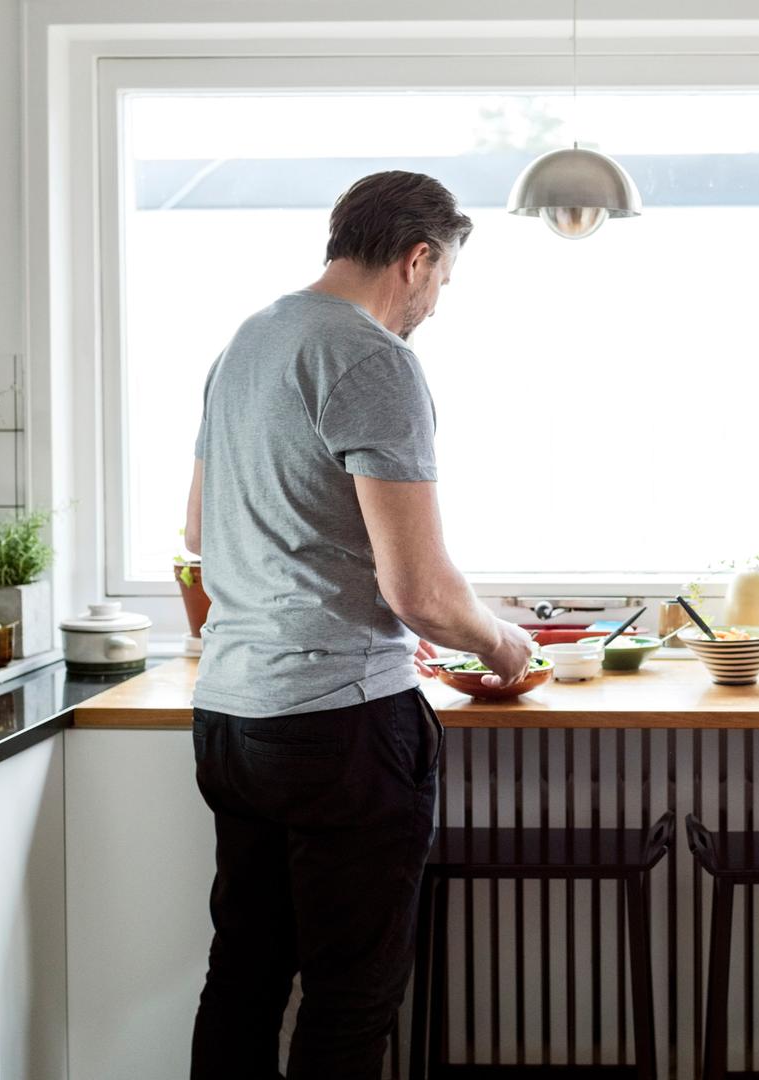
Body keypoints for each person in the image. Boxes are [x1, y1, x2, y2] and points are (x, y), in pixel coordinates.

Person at [183, 170, 536, 1079]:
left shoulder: (248, 340)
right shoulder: (373, 357)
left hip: (232, 714)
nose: (437, 306)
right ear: (417, 259)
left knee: (245, 975)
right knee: (352, 992)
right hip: (339, 724)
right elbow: (419, 588)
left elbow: (198, 531)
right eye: (444, 283)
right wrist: (502, 643)